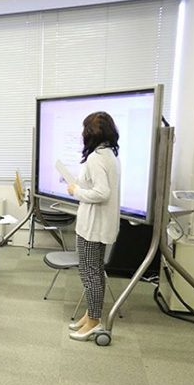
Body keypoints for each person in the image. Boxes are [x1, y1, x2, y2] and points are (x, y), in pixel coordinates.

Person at [67, 111, 121, 341]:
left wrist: (75, 191)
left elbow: (102, 192)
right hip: (101, 225)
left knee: (90, 274)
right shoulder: (109, 154)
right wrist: (79, 183)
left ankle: (94, 320)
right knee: (96, 272)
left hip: (92, 228)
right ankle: (92, 313)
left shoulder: (95, 158)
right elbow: (99, 184)